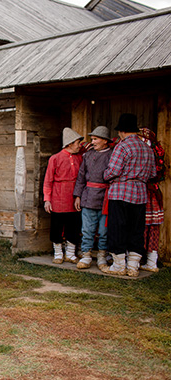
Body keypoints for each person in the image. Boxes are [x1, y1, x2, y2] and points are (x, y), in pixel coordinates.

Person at [103, 114, 156, 276]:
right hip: (140, 193)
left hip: (121, 192)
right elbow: (152, 173)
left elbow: (113, 170)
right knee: (136, 230)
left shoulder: (122, 147)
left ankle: (119, 266)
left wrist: (105, 175)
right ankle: (133, 266)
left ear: (122, 131)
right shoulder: (147, 148)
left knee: (117, 228)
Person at [73, 126, 113, 270]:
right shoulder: (88, 155)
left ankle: (102, 256)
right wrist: (78, 195)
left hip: (105, 198)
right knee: (87, 229)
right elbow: (81, 177)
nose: (93, 142)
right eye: (92, 139)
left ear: (105, 141)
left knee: (104, 231)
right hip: (88, 196)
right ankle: (86, 255)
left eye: (96, 139)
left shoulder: (112, 155)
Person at [43, 127, 83, 264]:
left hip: (73, 197)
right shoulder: (55, 158)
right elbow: (48, 181)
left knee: (74, 225)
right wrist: (47, 199)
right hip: (58, 198)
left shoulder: (79, 158)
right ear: (70, 143)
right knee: (57, 226)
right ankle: (58, 253)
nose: (79, 145)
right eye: (77, 143)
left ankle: (70, 254)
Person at [137, 127, 165, 273]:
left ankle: (143, 261)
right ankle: (150, 261)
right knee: (150, 228)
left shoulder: (146, 153)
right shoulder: (155, 152)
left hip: (144, 193)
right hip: (152, 193)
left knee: (141, 227)